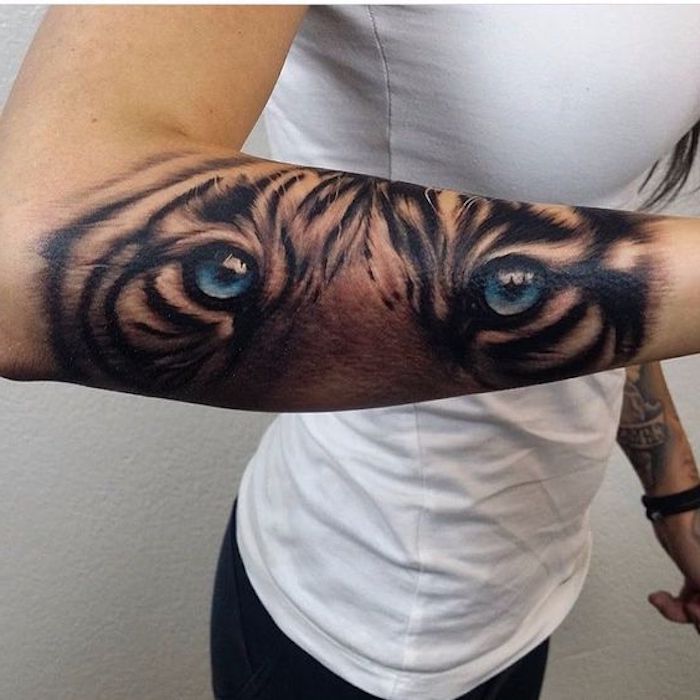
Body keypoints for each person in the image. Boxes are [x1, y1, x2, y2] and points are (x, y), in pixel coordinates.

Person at [1, 5, 700, 700]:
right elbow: (32, 256)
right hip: (371, 622)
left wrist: (674, 485)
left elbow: (581, 239)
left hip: (530, 584)